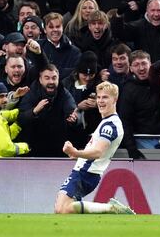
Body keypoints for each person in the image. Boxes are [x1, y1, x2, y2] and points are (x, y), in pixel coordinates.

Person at [54, 81, 135, 215]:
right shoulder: (107, 122)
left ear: (115, 99)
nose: (100, 101)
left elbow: (98, 152)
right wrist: (76, 154)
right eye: (98, 97)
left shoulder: (110, 125)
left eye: (105, 97)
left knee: (62, 209)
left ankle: (109, 208)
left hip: (86, 172)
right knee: (63, 209)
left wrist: (75, 152)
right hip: (87, 172)